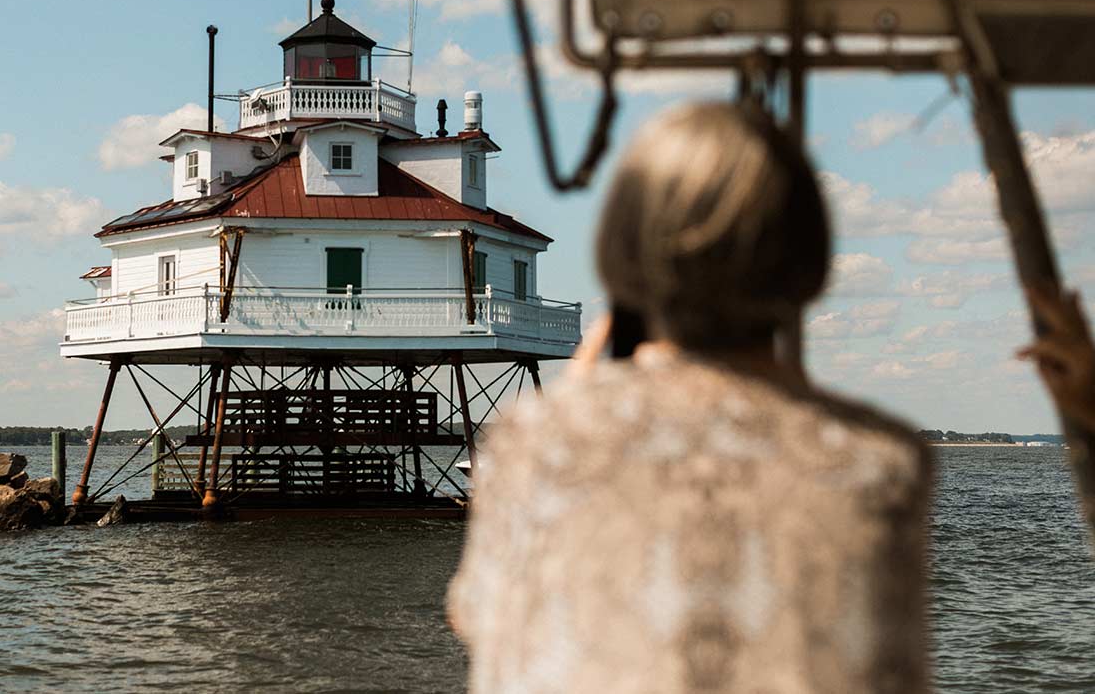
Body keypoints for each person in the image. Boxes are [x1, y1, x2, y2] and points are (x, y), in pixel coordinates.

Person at [448, 101, 1095, 694]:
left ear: (623, 253)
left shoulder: (537, 444)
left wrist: (572, 401)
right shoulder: (879, 464)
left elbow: (477, 618)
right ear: (807, 261)